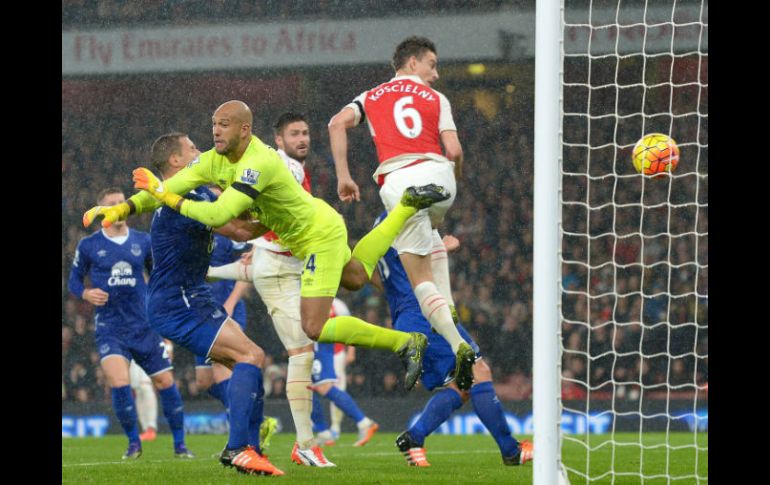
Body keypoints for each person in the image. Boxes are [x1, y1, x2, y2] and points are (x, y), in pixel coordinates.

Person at [83, 100, 449, 393]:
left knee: (315, 326)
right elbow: (164, 192)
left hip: (316, 236)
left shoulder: (257, 163)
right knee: (356, 276)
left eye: (224, 124)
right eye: (213, 124)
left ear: (245, 129)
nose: (215, 130)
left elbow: (219, 214)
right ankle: (404, 207)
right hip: (313, 228)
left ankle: (406, 342)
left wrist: (165, 195)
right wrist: (121, 208)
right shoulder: (214, 160)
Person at [328, 36, 475, 391]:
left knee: (419, 278)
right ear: (412, 63)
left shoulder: (371, 96)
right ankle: (453, 320)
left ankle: (458, 344)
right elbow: (454, 150)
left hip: (399, 181)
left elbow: (336, 123)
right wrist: (452, 184)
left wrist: (344, 176)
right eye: (432, 65)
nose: (435, 74)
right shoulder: (437, 99)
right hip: (440, 175)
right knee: (431, 235)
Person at [137, 132, 283, 475]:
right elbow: (238, 230)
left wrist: (273, 212)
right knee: (251, 356)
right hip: (178, 301)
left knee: (248, 360)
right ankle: (238, 448)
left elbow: (242, 223)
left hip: (191, 296)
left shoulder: (195, 191)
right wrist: (282, 217)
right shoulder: (180, 198)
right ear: (175, 161)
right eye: (191, 148)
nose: (199, 151)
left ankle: (251, 449)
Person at [207, 112, 337, 466]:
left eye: (306, 132)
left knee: (305, 348)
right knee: (301, 351)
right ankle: (306, 444)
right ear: (278, 140)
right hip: (277, 269)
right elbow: (250, 210)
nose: (303, 139)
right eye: (294, 134)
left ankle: (202, 270)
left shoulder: (293, 169)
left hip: (282, 264)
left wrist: (258, 235)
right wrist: (254, 233)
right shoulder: (282, 167)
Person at [370, 213, 533, 467]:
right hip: (425, 313)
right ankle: (511, 451)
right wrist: (441, 249)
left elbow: (372, 274)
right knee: (479, 371)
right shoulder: (410, 217)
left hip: (407, 316)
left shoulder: (381, 224)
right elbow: (423, 267)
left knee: (461, 386)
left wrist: (399, 294)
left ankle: (415, 437)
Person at [68, 187, 193, 460]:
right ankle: (134, 444)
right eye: (111, 203)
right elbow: (74, 281)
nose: (118, 207)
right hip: (110, 327)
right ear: (101, 209)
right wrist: (87, 293)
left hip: (144, 325)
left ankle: (180, 446)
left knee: (165, 382)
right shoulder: (89, 245)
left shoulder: (143, 241)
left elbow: (157, 276)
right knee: (120, 382)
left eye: (121, 202)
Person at [309, 298, 378, 448]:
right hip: (312, 347)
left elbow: (349, 327)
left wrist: (351, 350)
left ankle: (358, 423)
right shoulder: (305, 294)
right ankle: (323, 431)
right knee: (305, 387)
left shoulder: (337, 304)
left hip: (330, 350)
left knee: (326, 387)